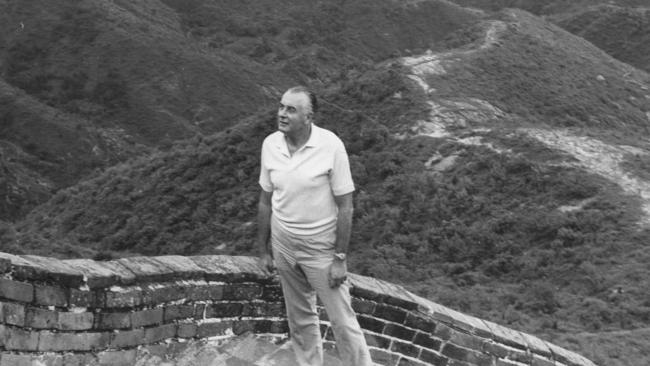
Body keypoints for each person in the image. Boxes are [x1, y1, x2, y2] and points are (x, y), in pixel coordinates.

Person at [257, 86, 372, 366]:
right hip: (283, 243)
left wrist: (340, 258)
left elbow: (346, 206)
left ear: (309, 117)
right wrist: (264, 250)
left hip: (320, 248)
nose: (282, 114)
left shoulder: (331, 146)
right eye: (281, 107)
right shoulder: (270, 144)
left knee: (342, 321)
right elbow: (265, 201)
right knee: (299, 317)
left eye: (291, 109)